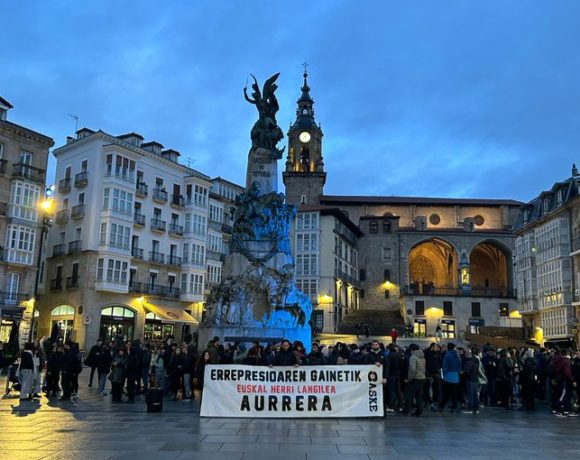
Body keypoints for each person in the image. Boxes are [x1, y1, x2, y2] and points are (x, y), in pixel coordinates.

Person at [403, 344, 426, 416]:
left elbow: (412, 369)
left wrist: (409, 379)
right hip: (422, 378)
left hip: (415, 379)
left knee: (409, 395)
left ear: (412, 350)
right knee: (419, 396)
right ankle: (419, 411)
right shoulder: (422, 357)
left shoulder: (413, 357)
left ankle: (407, 411)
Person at [439, 342, 461, 413]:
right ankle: (454, 408)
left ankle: (441, 407)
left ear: (448, 347)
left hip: (448, 376)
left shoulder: (447, 355)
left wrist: (443, 376)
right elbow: (459, 367)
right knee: (454, 393)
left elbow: (445, 367)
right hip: (455, 377)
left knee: (445, 393)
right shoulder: (457, 355)